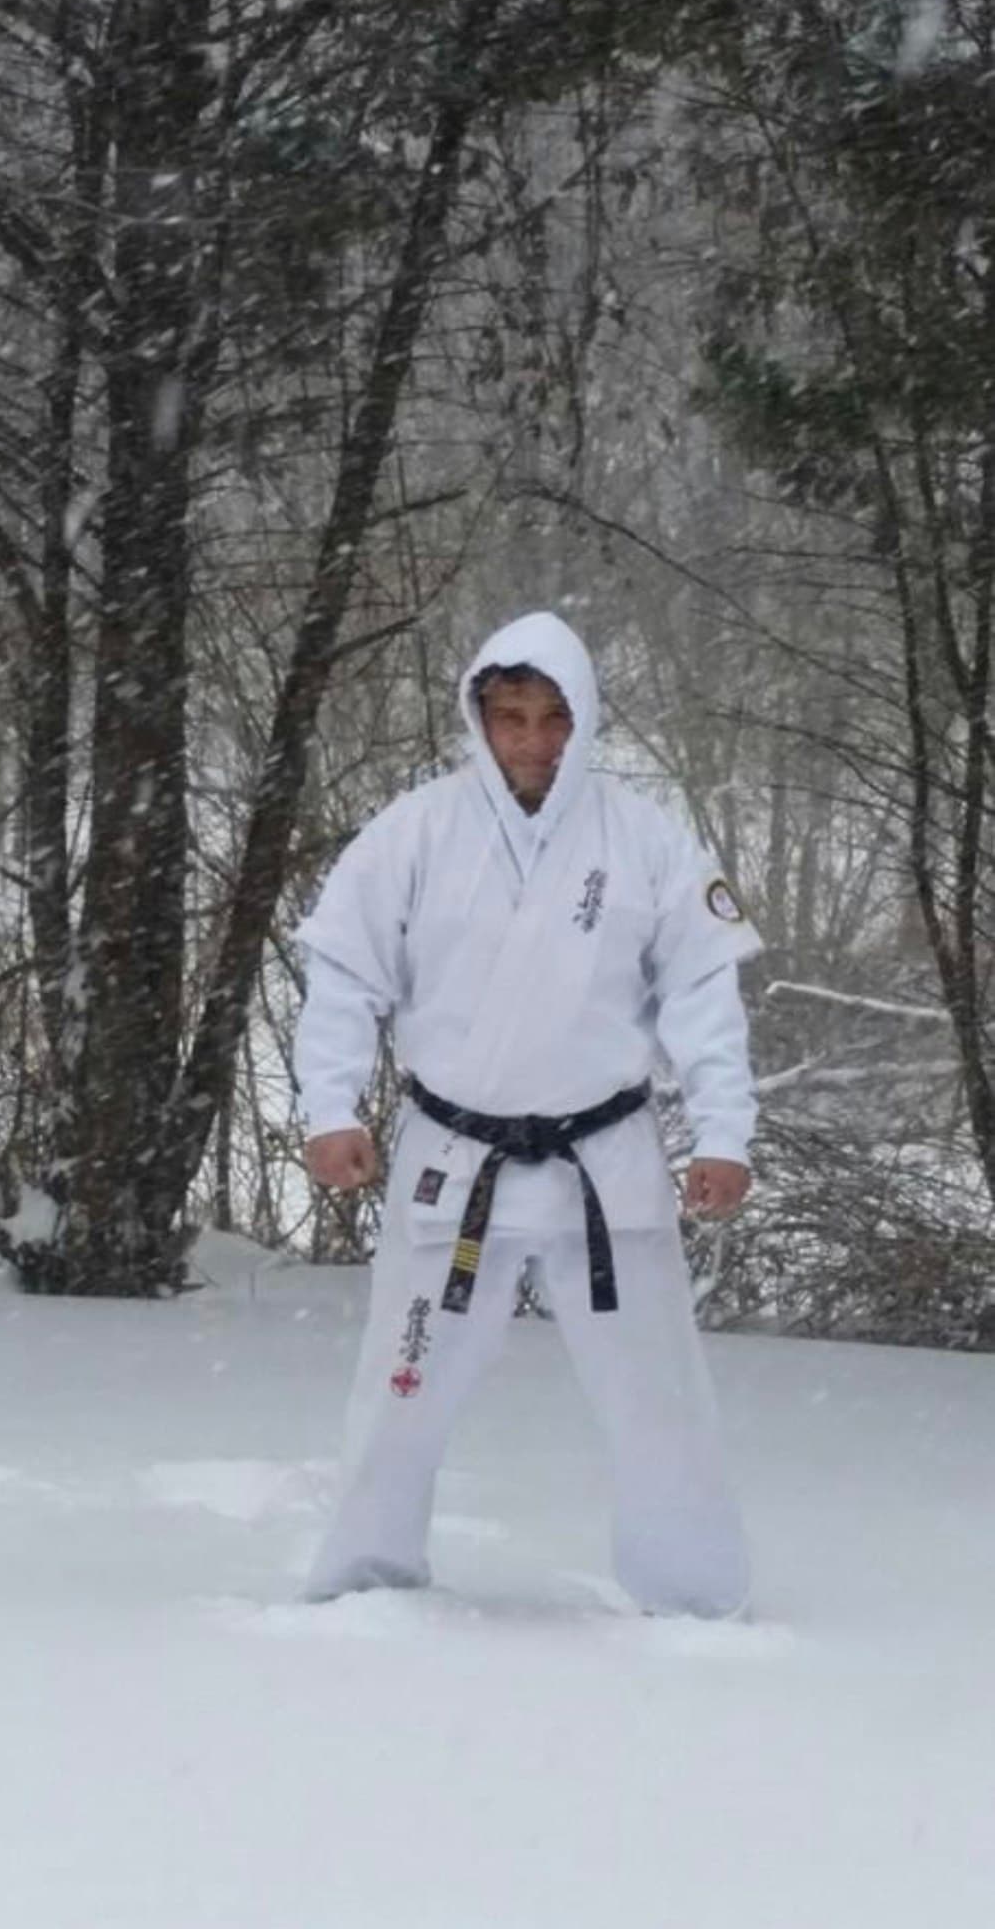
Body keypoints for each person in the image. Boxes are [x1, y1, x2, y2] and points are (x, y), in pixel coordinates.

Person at [294, 610, 761, 1617]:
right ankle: (363, 1583)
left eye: (553, 717)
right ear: (479, 716)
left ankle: (692, 1598)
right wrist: (329, 1106)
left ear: (582, 719)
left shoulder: (645, 835)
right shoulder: (414, 830)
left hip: (605, 1163)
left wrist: (723, 1130)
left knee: (656, 1401)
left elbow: (701, 991)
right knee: (400, 1389)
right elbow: (341, 974)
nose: (533, 740)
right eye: (510, 716)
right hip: (452, 1161)